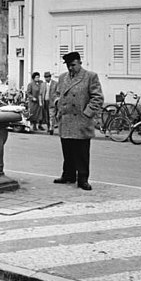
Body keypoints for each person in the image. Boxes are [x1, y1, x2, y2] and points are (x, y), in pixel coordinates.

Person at [54, 52, 104, 191]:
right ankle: (68, 175)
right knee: (67, 149)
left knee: (81, 152)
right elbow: (57, 94)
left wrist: (87, 113)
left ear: (80, 63)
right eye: (68, 66)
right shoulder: (63, 77)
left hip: (81, 120)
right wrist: (58, 104)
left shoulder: (90, 77)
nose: (71, 68)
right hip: (66, 119)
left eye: (73, 65)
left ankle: (83, 179)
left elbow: (98, 98)